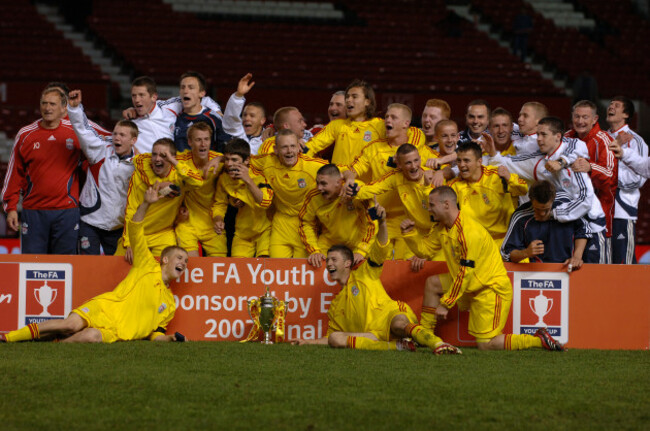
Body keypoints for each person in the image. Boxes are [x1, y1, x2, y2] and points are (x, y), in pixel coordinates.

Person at [0, 183, 187, 343]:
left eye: (185, 261)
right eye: (179, 258)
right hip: (103, 309)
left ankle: (57, 344)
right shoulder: (147, 264)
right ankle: (10, 337)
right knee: (70, 325)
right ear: (164, 259)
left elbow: (156, 334)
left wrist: (171, 338)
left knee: (91, 337)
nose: (183, 263)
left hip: (115, 332)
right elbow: (135, 228)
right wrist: (146, 203)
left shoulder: (169, 303)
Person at [401, 186, 565, 351]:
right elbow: (425, 250)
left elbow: (466, 273)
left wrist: (446, 303)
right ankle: (425, 335)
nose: (428, 209)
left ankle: (538, 340)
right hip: (471, 282)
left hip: (490, 287)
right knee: (432, 283)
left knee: (486, 345)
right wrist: (410, 234)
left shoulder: (468, 232)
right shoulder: (442, 226)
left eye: (431, 205)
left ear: (446, 205)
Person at [294, 198, 461, 354]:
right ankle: (398, 346)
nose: (329, 264)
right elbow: (330, 338)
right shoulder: (336, 306)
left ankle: (438, 344)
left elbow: (380, 247)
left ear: (347, 263)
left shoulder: (365, 272)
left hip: (390, 316)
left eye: (333, 259)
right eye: (328, 260)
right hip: (373, 336)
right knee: (335, 338)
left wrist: (382, 223)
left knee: (399, 324)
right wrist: (308, 342)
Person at [485, 117, 607, 263]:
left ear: (557, 137)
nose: (539, 139)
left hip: (592, 225)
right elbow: (507, 162)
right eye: (538, 135)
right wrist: (492, 153)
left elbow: (585, 200)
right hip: (561, 225)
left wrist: (562, 162)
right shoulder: (537, 162)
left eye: (544, 135)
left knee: (595, 279)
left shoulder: (576, 158)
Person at [2, 87, 82, 254]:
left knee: (65, 266)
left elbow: (100, 150)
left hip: (66, 211)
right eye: (44, 103)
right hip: (34, 211)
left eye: (52, 104)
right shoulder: (26, 134)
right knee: (32, 266)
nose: (47, 108)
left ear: (63, 108)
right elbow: (14, 174)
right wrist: (11, 208)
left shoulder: (77, 132)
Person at [67, 89, 137, 255]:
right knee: (87, 268)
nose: (116, 138)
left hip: (118, 227)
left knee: (114, 272)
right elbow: (82, 130)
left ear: (133, 140)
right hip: (90, 222)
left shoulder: (139, 164)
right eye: (115, 134)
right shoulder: (99, 151)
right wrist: (75, 109)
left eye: (122, 135)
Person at [116, 138, 203, 263]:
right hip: (138, 232)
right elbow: (130, 209)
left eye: (163, 156)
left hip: (163, 234)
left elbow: (198, 182)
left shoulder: (179, 177)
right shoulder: (139, 175)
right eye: (155, 154)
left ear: (172, 158)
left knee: (167, 269)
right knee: (116, 268)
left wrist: (174, 161)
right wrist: (130, 242)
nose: (157, 159)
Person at [250, 129, 328, 258]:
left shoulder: (312, 166)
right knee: (277, 271)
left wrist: (349, 180)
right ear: (275, 150)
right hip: (280, 223)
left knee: (301, 272)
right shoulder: (267, 162)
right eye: (284, 147)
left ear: (299, 147)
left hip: (304, 224)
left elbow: (339, 172)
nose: (289, 151)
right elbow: (245, 161)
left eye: (292, 146)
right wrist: (219, 159)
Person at [350, 144, 435, 260]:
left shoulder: (433, 178)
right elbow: (372, 188)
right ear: (399, 165)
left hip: (436, 231)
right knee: (406, 266)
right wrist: (350, 190)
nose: (414, 166)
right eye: (408, 163)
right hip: (417, 231)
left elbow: (444, 214)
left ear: (420, 159)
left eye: (416, 160)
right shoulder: (396, 177)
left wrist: (424, 254)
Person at [448, 141, 528, 248]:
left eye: (466, 160)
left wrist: (509, 178)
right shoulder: (454, 186)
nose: (462, 165)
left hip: (504, 240)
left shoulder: (496, 176)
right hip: (475, 243)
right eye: (459, 161)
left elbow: (523, 189)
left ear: (479, 161)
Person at [565, 100, 617, 262]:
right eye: (577, 116)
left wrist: (590, 167)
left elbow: (610, 175)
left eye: (585, 117)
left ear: (595, 119)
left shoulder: (604, 140)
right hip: (570, 217)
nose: (580, 121)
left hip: (597, 218)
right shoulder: (566, 137)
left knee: (599, 274)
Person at [300, 164, 375, 268]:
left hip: (358, 241)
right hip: (329, 242)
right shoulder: (313, 195)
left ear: (338, 182)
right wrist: (314, 251)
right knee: (316, 264)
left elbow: (373, 222)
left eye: (323, 184)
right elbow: (305, 223)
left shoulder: (356, 189)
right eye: (317, 183)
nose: (319, 187)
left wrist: (362, 250)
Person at [125, 76, 222, 154]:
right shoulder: (131, 123)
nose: (137, 100)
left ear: (154, 97)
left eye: (141, 95)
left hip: (174, 170)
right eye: (134, 96)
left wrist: (216, 111)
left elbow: (200, 98)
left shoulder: (168, 108)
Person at [502, 180, 588, 267]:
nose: (542, 213)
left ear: (553, 199)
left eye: (546, 209)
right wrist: (526, 252)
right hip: (538, 273)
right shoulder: (521, 217)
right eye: (538, 209)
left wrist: (577, 257)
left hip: (569, 267)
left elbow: (584, 230)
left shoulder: (567, 204)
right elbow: (507, 254)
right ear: (531, 200)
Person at [212, 138, 273, 257]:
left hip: (265, 231)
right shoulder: (224, 178)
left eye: (234, 160)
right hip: (242, 233)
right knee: (238, 271)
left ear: (246, 160)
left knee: (265, 268)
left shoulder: (259, 176)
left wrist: (248, 181)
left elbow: (266, 202)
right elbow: (219, 203)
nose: (229, 164)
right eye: (227, 159)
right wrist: (218, 219)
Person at [343, 103, 432, 184]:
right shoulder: (373, 148)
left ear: (406, 123)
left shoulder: (420, 148)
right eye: (386, 117)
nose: (388, 120)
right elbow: (352, 170)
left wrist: (440, 173)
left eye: (393, 117)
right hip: (377, 201)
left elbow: (443, 167)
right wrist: (350, 179)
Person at [606, 96, 648, 264]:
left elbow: (638, 179)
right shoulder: (601, 137)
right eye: (610, 104)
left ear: (626, 114)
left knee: (623, 261)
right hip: (600, 211)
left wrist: (608, 180)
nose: (611, 107)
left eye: (616, 105)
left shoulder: (635, 140)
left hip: (622, 210)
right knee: (603, 262)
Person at [174, 122, 226, 257]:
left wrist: (222, 158)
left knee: (219, 269)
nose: (203, 144)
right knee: (192, 268)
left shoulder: (219, 161)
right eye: (198, 140)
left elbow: (246, 158)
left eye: (206, 139)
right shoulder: (181, 160)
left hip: (212, 223)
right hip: (187, 223)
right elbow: (159, 159)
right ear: (190, 142)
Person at [305, 79, 385, 165]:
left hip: (367, 178)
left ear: (367, 101)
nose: (348, 100)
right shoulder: (336, 125)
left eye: (354, 96)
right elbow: (311, 146)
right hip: (339, 178)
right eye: (347, 97)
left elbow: (395, 149)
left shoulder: (380, 125)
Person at [173, 71, 232, 153]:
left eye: (191, 87)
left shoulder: (214, 118)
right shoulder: (173, 118)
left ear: (202, 93)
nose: (185, 91)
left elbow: (225, 149)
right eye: (182, 87)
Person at [222, 73, 267, 155]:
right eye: (244, 115)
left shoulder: (269, 139)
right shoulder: (237, 135)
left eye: (252, 116)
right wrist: (238, 96)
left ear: (262, 120)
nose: (247, 118)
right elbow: (231, 120)